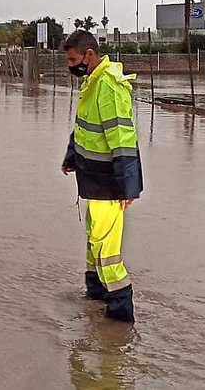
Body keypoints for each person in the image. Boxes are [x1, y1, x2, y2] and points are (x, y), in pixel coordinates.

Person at [60, 29, 144, 323]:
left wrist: (127, 187)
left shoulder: (107, 86)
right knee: (93, 241)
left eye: (73, 60)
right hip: (94, 181)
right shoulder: (92, 83)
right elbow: (85, 127)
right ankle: (96, 296)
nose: (71, 66)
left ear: (90, 55)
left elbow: (122, 138)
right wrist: (72, 156)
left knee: (107, 251)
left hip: (109, 184)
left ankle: (120, 318)